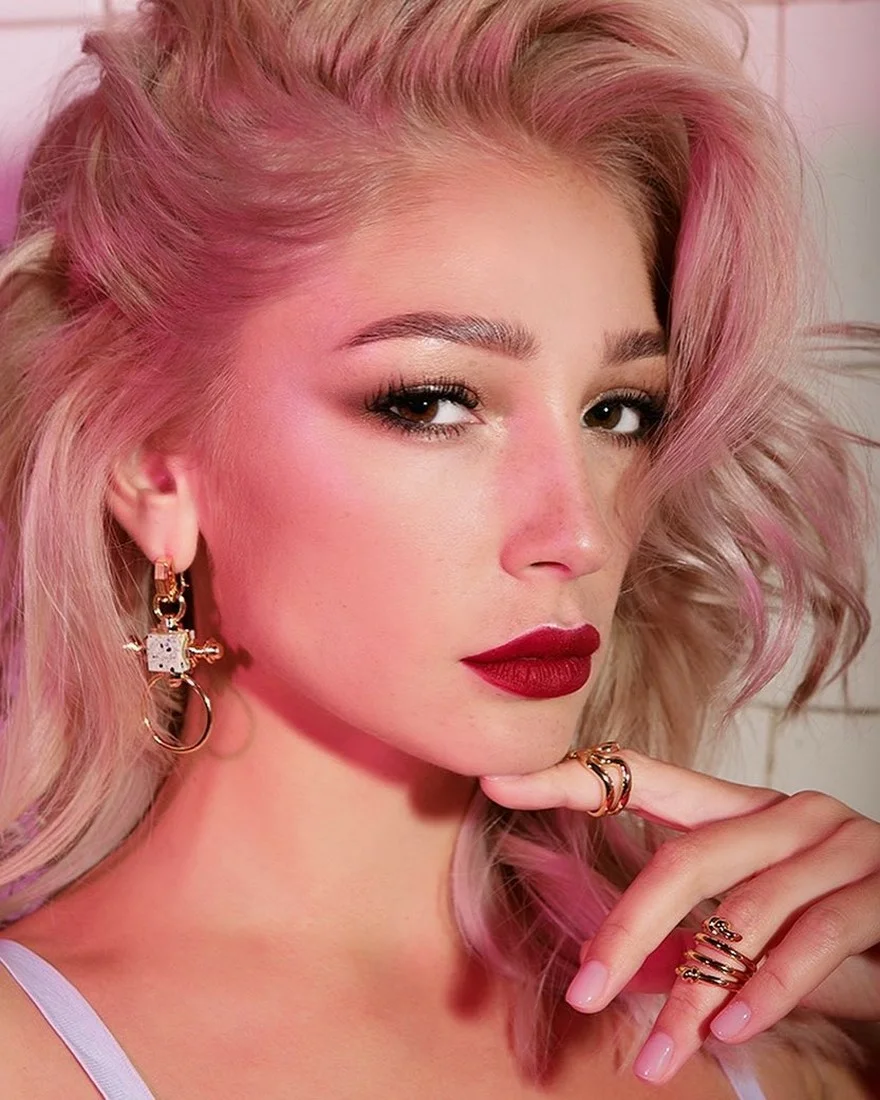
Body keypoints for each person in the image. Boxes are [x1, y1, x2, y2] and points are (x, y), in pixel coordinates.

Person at [0, 0, 877, 1095]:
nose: (579, 532)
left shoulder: (776, 1034)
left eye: (617, 412)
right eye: (431, 402)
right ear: (154, 471)